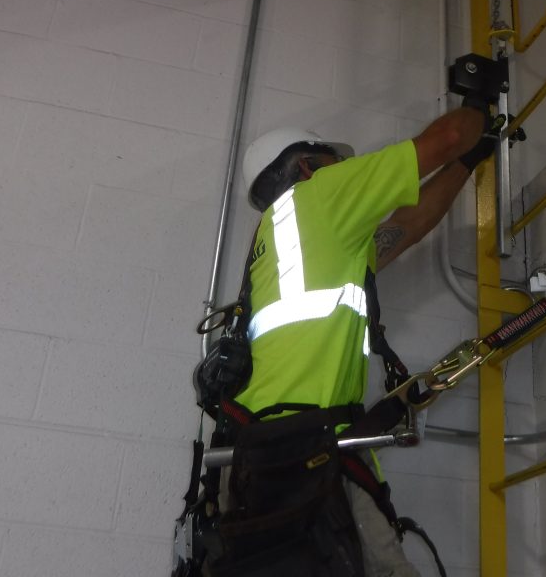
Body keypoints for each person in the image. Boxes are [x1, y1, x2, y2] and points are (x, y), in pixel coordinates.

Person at [211, 97, 498, 577]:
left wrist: (469, 161)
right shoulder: (318, 195)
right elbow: (446, 137)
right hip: (309, 451)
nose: (342, 168)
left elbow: (404, 229)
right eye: (333, 161)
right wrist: (480, 111)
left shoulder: (287, 243)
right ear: (307, 166)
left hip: (258, 460)